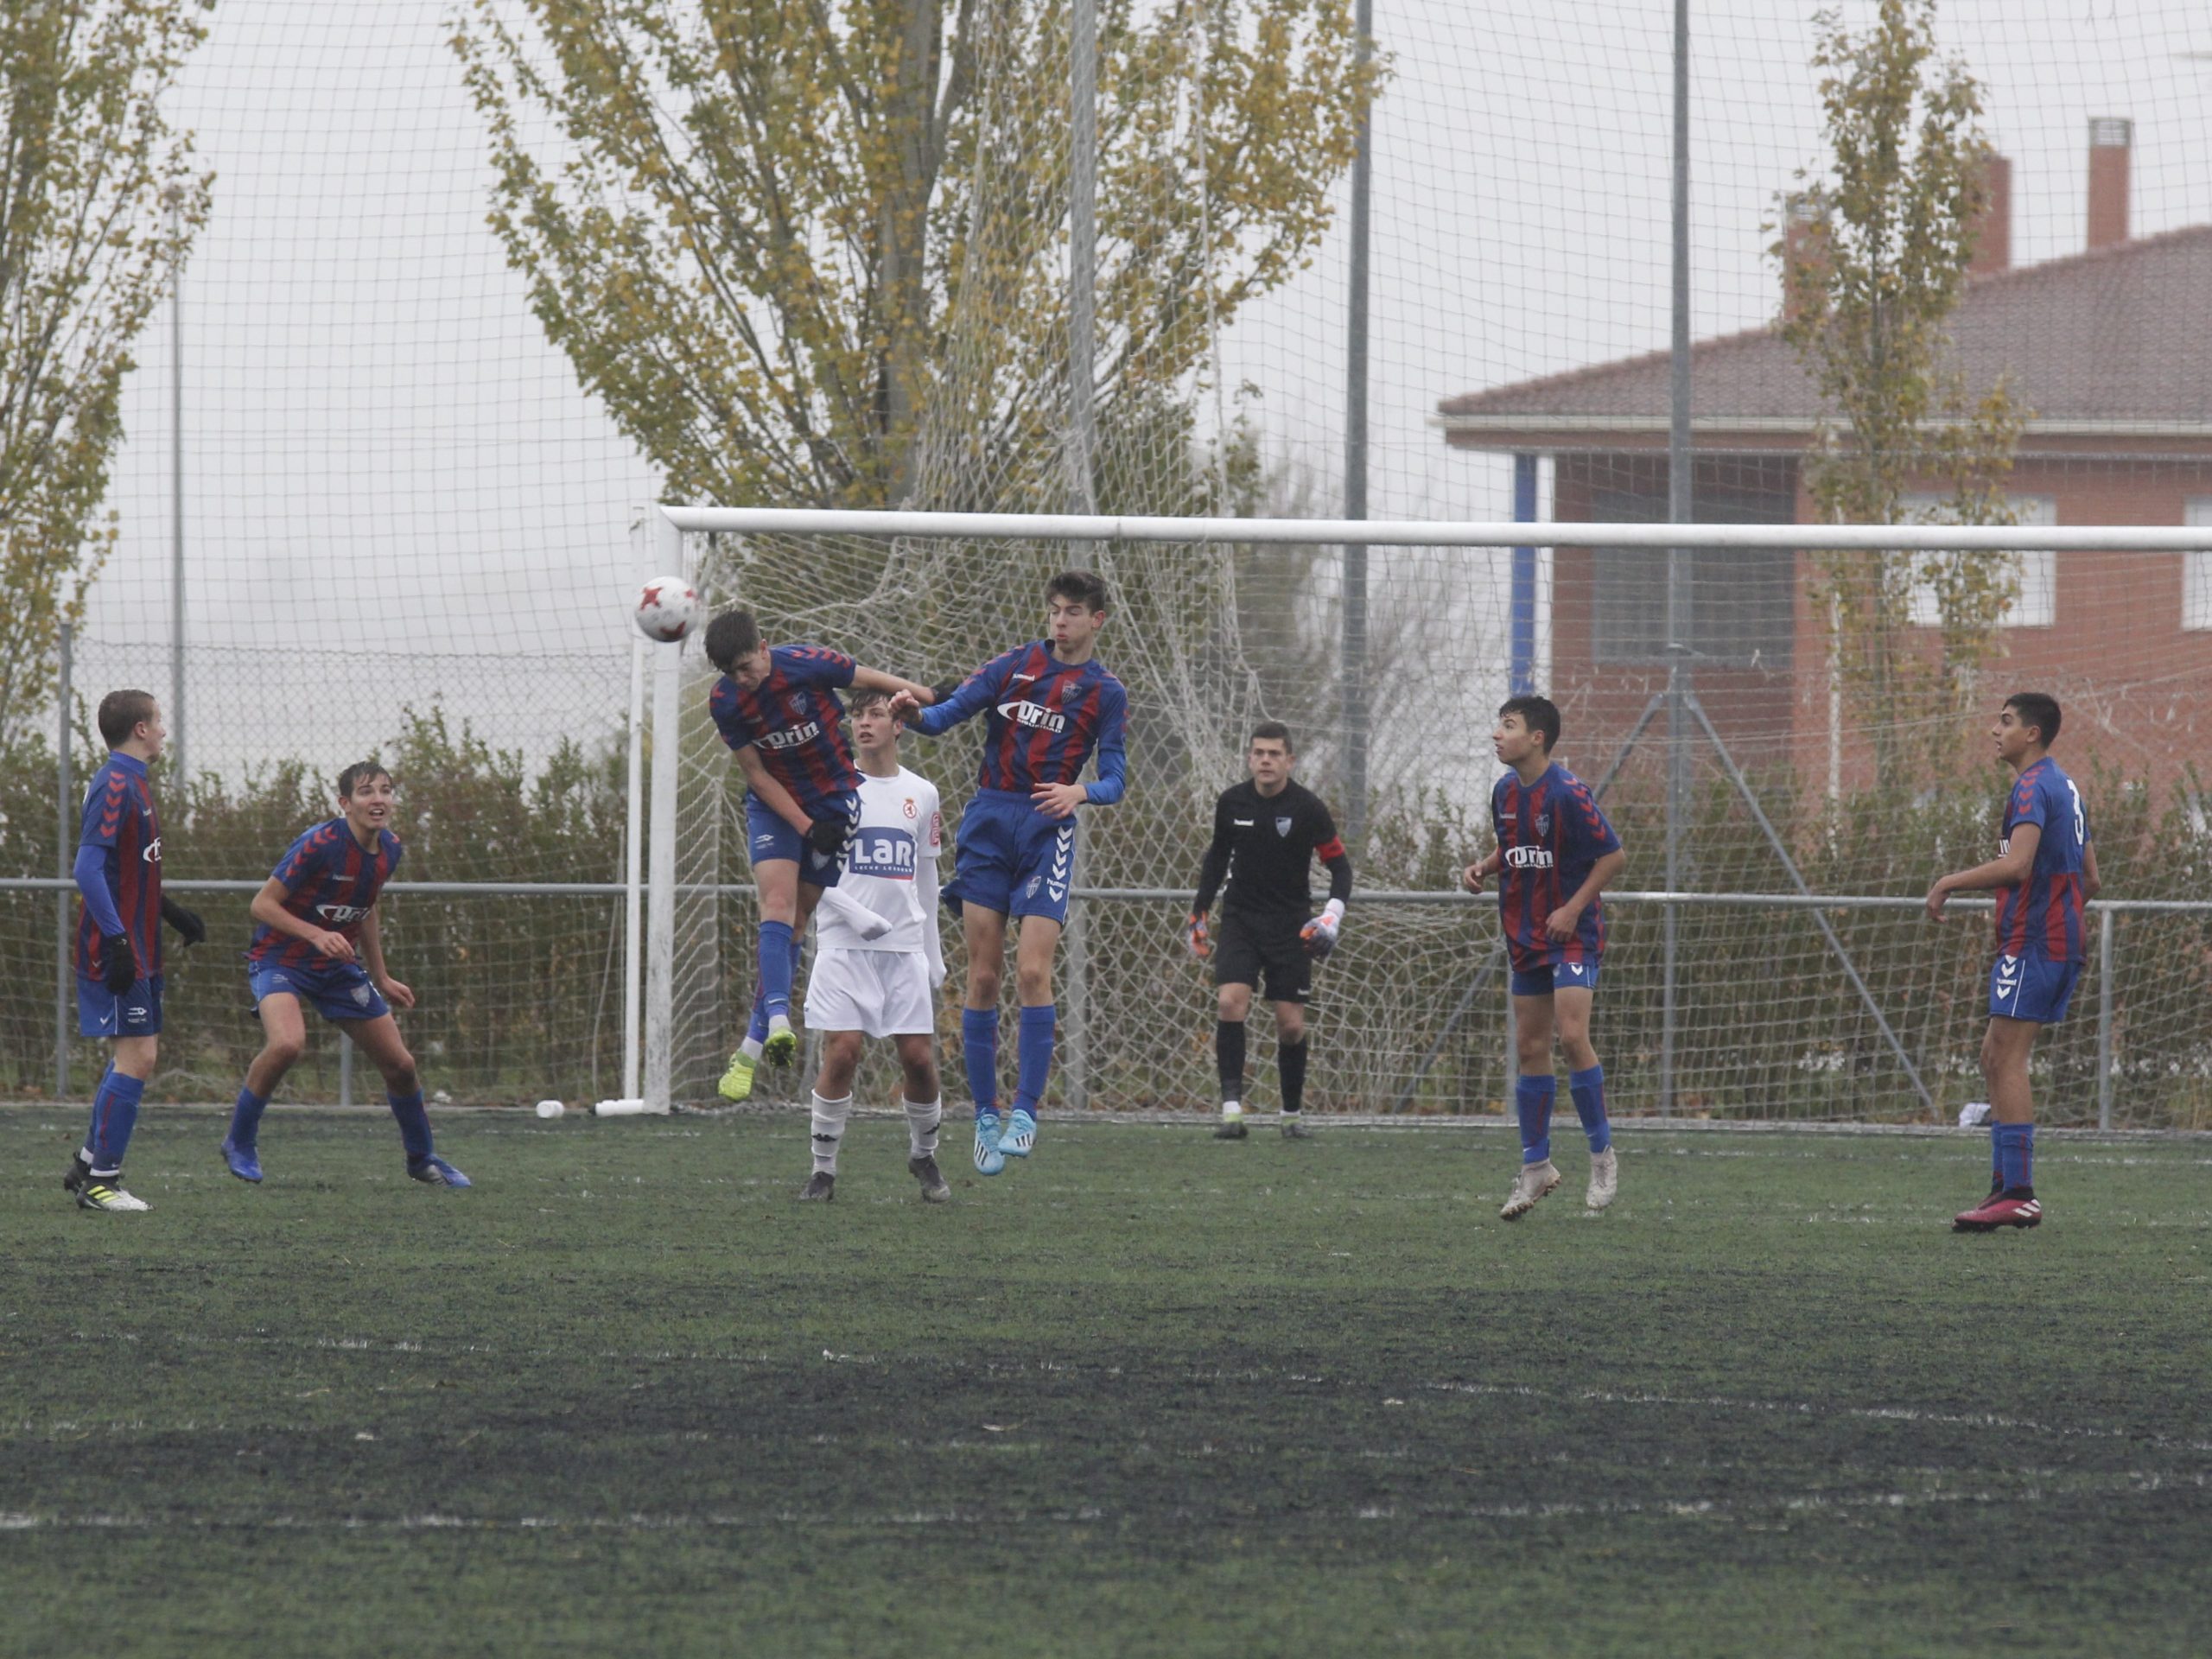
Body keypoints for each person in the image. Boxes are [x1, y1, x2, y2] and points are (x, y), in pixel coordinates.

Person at [890, 570, 1128, 1175]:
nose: (1060, 621)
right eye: (1054, 610)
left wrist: (1081, 792)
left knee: (1030, 971)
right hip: (990, 824)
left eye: (1073, 611)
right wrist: (911, 713)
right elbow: (944, 719)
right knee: (984, 979)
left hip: (1048, 830)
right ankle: (986, 1115)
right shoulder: (1012, 666)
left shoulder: (1106, 691)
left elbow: (1117, 777)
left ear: (1097, 620)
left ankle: (1025, 1110)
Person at [703, 612, 936, 1101]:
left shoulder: (808, 664)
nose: (743, 679)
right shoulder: (726, 701)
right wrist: (806, 827)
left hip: (834, 798)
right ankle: (781, 1020)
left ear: (764, 647)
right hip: (777, 805)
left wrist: (929, 695)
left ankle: (750, 1047)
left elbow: (873, 679)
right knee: (777, 906)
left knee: (798, 921)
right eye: (733, 673)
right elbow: (756, 774)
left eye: (748, 666)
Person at [219, 760, 469, 1188]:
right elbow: (262, 905)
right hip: (281, 960)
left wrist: (382, 976)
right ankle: (239, 1141)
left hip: (336, 969)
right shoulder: (319, 844)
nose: (379, 800)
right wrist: (316, 934)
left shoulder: (390, 849)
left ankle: (421, 1158)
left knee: (401, 1065)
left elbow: (365, 906)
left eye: (386, 791)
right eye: (367, 792)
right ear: (345, 803)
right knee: (287, 1045)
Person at [1925, 692, 2097, 1232]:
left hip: (2035, 944)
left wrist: (1948, 881)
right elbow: (2090, 881)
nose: (1993, 730)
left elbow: (2017, 865)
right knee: (1993, 1056)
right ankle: (2005, 1188)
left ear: (2032, 734)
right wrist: (2052, 916)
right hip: (2054, 940)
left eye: (2005, 721)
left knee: (2006, 1058)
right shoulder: (2064, 785)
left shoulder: (2030, 786)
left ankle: (2019, 1194)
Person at [1462, 695, 1626, 1220]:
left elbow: (1613, 855)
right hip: (1525, 933)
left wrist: (1573, 909)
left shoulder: (1569, 793)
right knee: (1530, 1044)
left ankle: (1602, 1156)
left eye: (1507, 726)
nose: (1497, 734)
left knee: (1572, 1035)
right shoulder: (1504, 792)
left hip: (1572, 933)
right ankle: (1536, 1166)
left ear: (1537, 737)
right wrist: (1485, 869)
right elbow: (1511, 846)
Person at [796, 687, 950, 1203]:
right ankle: (823, 1170)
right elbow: (811, 869)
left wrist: (933, 949)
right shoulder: (834, 789)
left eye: (876, 714)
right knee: (842, 1051)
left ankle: (924, 1155)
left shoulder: (922, 794)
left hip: (904, 948)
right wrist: (852, 913)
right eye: (857, 715)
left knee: (919, 1060)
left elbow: (926, 876)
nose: (864, 724)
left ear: (898, 724)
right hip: (843, 943)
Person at [61, 690, 205, 1212]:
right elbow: (87, 869)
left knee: (132, 1055)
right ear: (141, 729)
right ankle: (102, 1182)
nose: (165, 730)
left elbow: (128, 868)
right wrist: (118, 941)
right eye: (160, 721)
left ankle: (88, 1160)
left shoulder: (134, 782)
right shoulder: (117, 782)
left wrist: (170, 912)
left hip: (141, 943)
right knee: (139, 1056)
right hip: (118, 947)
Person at [1185, 722, 1352, 1140]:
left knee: (1291, 1025)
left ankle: (1291, 1115)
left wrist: (1331, 915)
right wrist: (1200, 911)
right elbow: (1216, 858)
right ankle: (1231, 1113)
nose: (1265, 760)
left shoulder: (1308, 808)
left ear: (1289, 761)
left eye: (1274, 754)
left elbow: (1340, 868)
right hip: (1241, 918)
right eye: (1258, 752)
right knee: (1230, 1002)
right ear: (1249, 758)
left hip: (1291, 924)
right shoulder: (1231, 803)